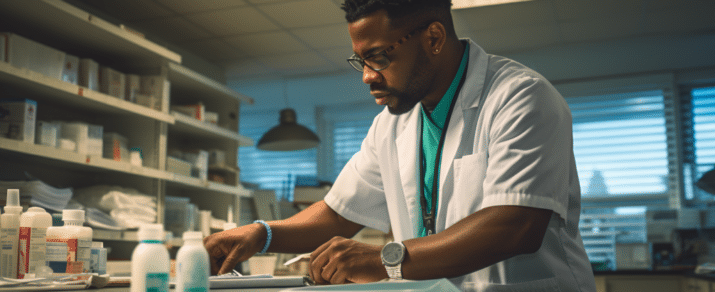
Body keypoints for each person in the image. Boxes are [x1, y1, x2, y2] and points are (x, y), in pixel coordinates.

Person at [204, 0, 595, 291]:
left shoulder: (520, 97)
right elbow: (339, 214)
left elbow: (515, 225)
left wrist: (386, 260)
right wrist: (262, 233)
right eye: (361, 61)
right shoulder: (391, 126)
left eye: (378, 57)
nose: (368, 77)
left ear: (434, 38)